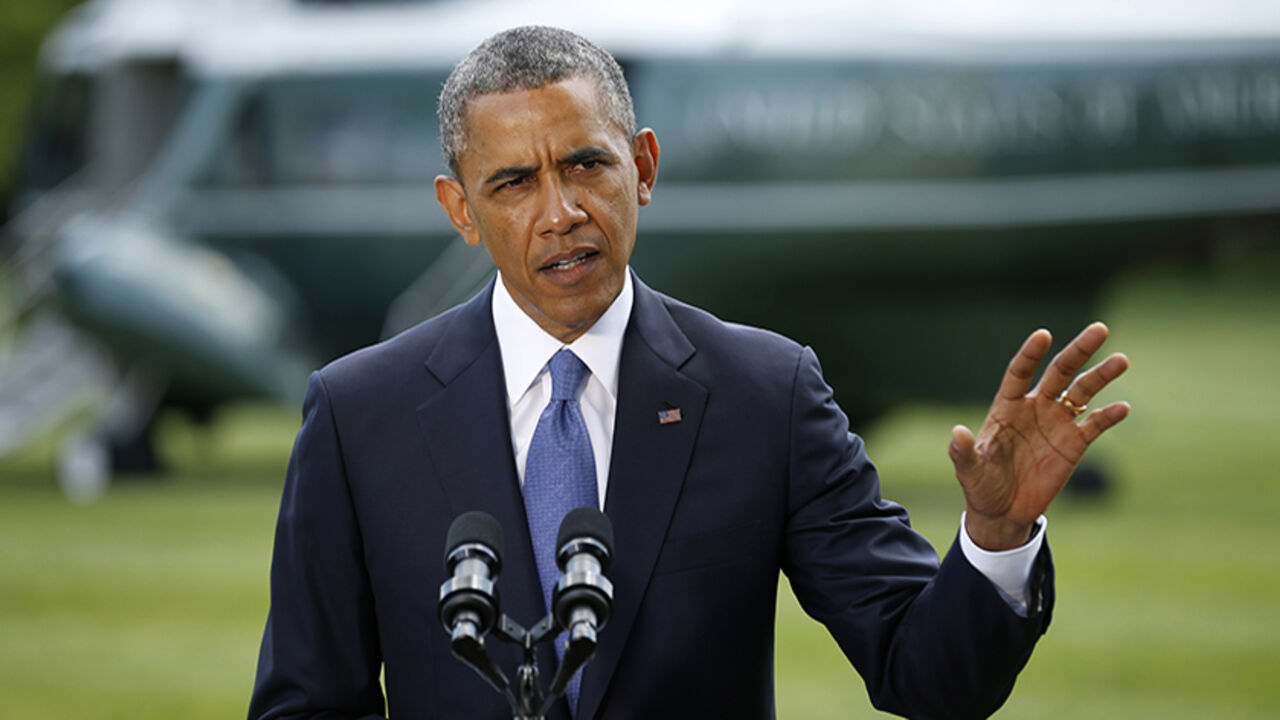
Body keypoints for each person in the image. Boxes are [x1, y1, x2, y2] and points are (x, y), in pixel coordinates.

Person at [248, 26, 1130, 720]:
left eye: (587, 164)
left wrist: (995, 537)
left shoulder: (766, 395)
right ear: (461, 212)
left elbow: (929, 676)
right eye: (515, 183)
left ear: (643, 168)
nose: (562, 212)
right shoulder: (358, 412)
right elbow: (305, 704)